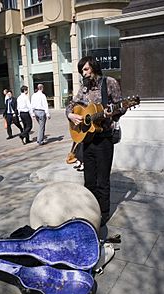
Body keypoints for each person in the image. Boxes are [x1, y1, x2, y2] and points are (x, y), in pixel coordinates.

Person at [66, 56, 126, 227]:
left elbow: (120, 106)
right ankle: (90, 211)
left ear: (94, 67)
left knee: (102, 180)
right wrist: (70, 114)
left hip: (104, 139)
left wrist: (112, 113)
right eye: (81, 71)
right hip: (87, 140)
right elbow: (72, 104)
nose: (83, 73)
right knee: (89, 180)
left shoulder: (110, 82)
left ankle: (103, 214)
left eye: (85, 69)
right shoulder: (84, 87)